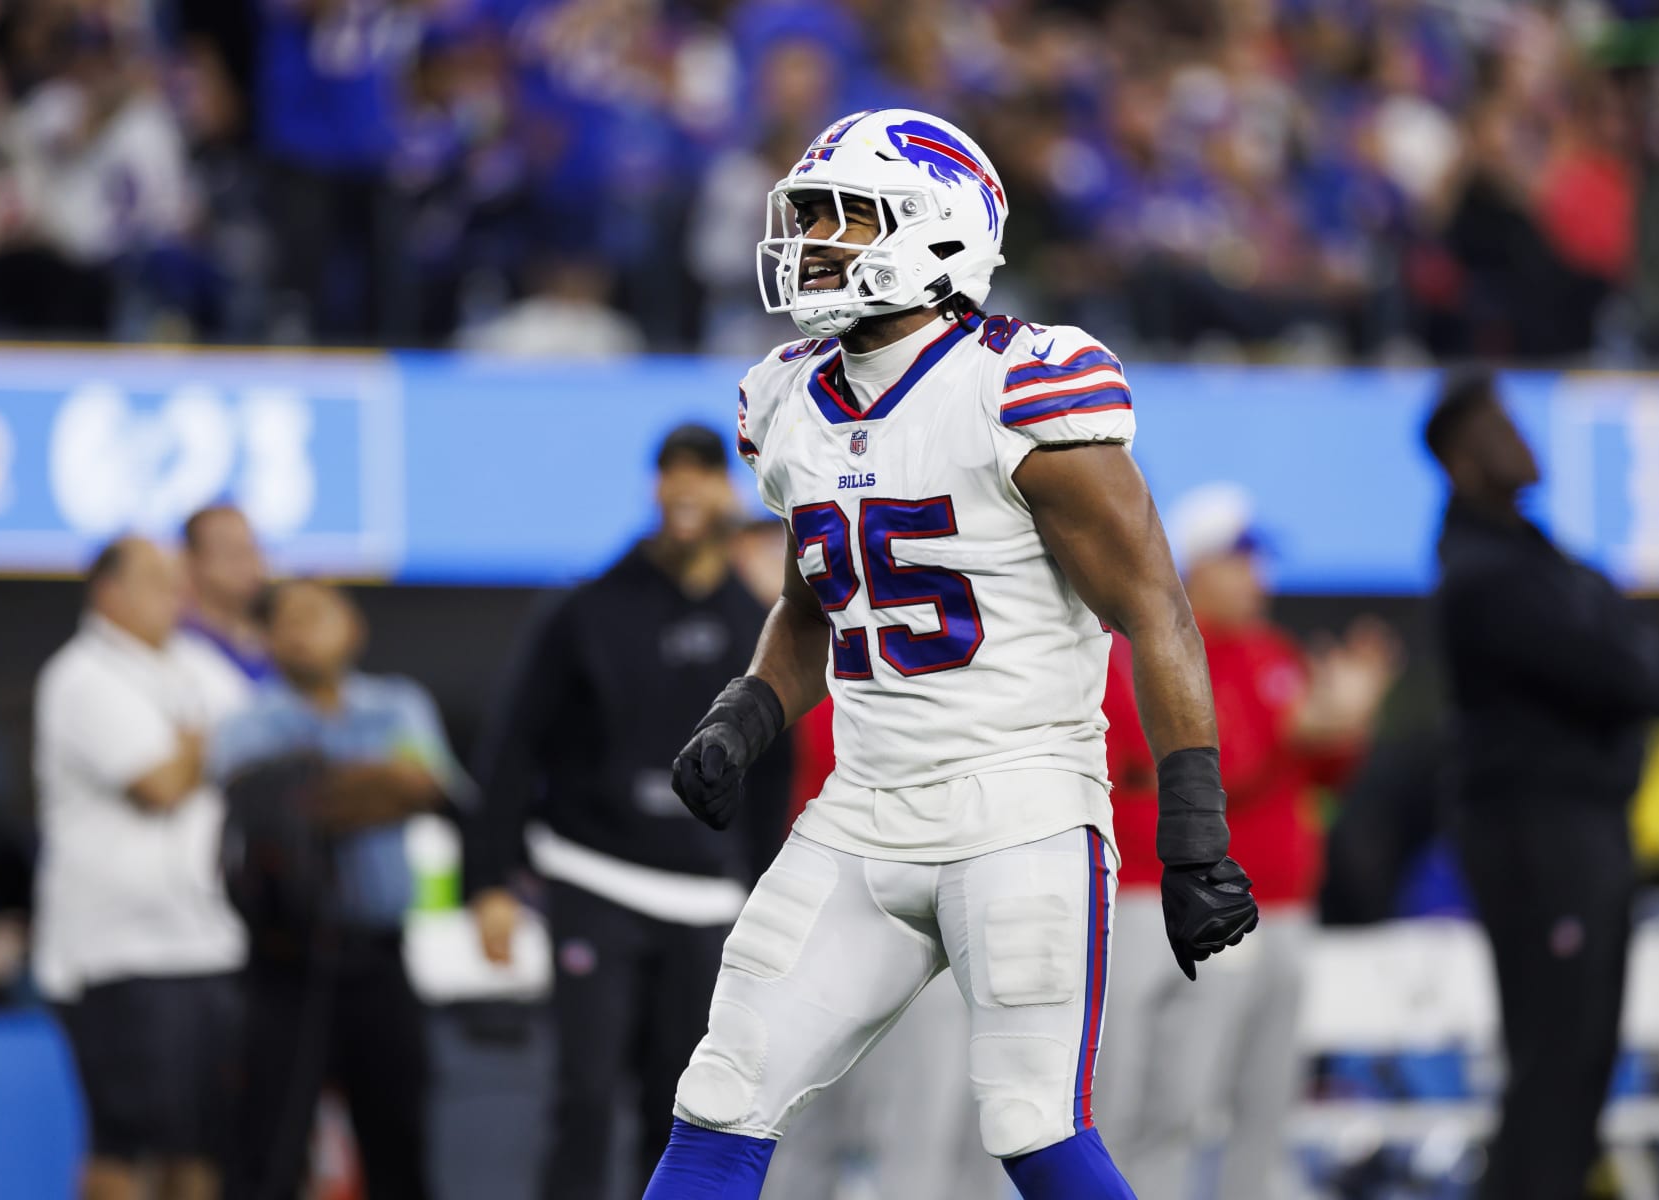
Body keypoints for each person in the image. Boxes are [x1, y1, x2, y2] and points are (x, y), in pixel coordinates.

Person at [643, 108, 1259, 1200]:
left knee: (1032, 1125)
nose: (817, 239)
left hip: (1017, 810)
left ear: (937, 229)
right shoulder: (784, 397)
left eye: (850, 215)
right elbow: (812, 600)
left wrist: (1195, 828)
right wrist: (746, 713)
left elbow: (1155, 609)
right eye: (812, 214)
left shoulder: (1020, 383)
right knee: (721, 1095)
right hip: (861, 806)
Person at [464, 424, 791, 1200]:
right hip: (594, 879)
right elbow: (511, 750)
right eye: (670, 472)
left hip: (705, 897)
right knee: (583, 1101)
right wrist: (490, 882)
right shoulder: (582, 611)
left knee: (681, 1107)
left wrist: (769, 895)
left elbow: (774, 777)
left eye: (703, 472)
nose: (684, 488)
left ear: (727, 492)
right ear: (655, 487)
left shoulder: (760, 626)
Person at [1425, 368, 1659, 1200]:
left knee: (1584, 1064)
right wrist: (1632, 662)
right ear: (1464, 461)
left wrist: (1636, 661)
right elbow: (1635, 674)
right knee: (1554, 1060)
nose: (1523, 438)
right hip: (1537, 836)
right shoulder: (1482, 576)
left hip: (1584, 830)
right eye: (1501, 427)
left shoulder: (1540, 559)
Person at [1102, 483, 1399, 1198]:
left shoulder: (1275, 652)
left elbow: (1324, 772)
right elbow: (1199, 773)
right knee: (1169, 1098)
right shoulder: (1155, 648)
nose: (1255, 576)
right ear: (1197, 564)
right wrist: (1297, 729)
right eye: (1239, 559)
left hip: (1284, 904)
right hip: (1185, 904)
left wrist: (1351, 717)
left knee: (1269, 1097)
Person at [209, 579, 469, 1200]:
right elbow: (276, 807)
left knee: (398, 1145)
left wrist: (318, 783)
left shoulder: (399, 702)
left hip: (380, 958)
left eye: (315, 614)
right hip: (283, 963)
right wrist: (377, 784)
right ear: (267, 640)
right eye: (285, 620)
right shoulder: (244, 719)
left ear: (353, 629)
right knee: (267, 1154)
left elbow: (431, 790)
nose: (300, 629)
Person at [32, 537, 250, 1200]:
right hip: (118, 954)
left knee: (204, 1146)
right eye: (157, 581)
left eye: (179, 580)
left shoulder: (199, 664)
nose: (176, 595)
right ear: (109, 593)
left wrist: (198, 748)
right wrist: (209, 750)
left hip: (211, 940)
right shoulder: (80, 675)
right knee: (127, 1144)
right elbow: (159, 783)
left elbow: (271, 739)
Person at [181, 503, 272, 683]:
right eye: (231, 552)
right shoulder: (179, 642)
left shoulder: (278, 638)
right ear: (193, 561)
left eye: (251, 549)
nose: (248, 563)